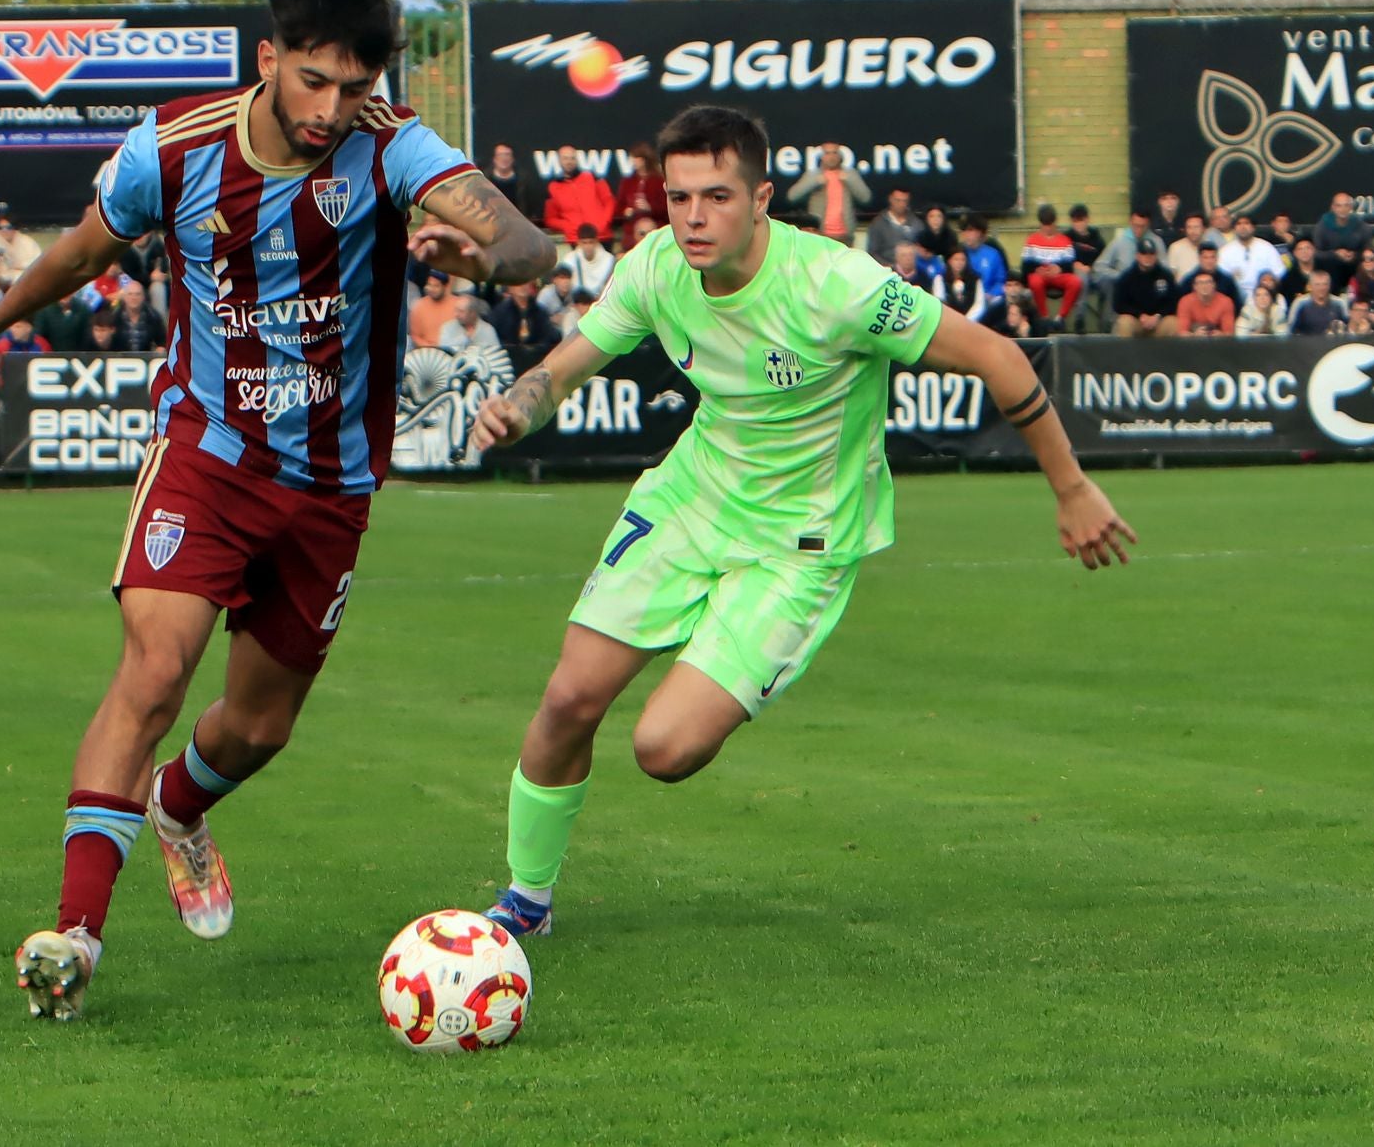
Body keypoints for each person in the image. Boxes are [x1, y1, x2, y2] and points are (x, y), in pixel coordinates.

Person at [0, 0, 555, 1023]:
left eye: (352, 87)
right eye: (312, 82)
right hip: (205, 455)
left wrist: (477, 254)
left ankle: (178, 807)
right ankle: (74, 936)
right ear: (268, 60)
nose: (330, 109)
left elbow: (526, 241)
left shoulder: (391, 145)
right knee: (155, 671)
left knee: (255, 730)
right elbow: (82, 253)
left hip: (333, 485)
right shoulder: (174, 147)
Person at [466, 105, 1134, 939]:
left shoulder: (837, 286)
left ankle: (735, 651)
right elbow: (563, 369)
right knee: (568, 698)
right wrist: (516, 412)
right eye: (679, 198)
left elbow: (997, 355)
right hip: (691, 501)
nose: (695, 218)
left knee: (664, 750)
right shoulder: (654, 267)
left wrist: (1073, 490)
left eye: (716, 196)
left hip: (799, 545)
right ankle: (524, 904)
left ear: (762, 199)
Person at [785, 142, 869, 246]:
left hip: (845, 236)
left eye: (834, 153)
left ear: (840, 156)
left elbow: (866, 198)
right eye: (827, 153)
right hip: (820, 235)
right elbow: (792, 196)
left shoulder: (850, 174)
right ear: (822, 157)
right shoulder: (812, 175)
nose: (831, 157)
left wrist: (849, 181)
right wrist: (814, 183)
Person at [1020, 204, 1082, 325]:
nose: (1048, 228)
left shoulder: (1065, 240)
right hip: (1040, 275)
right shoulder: (1031, 240)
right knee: (1034, 281)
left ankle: (1061, 317)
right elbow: (1025, 265)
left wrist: (1060, 268)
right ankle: (1045, 317)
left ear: (1055, 223)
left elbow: (1069, 264)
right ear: (1040, 223)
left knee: (1075, 282)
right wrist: (1036, 269)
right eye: (1045, 224)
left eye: (1050, 224)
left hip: (1058, 276)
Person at [543, 146, 615, 245]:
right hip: (576, 239)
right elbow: (550, 219)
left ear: (577, 160)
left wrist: (604, 223)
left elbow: (609, 201)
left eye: (572, 158)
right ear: (559, 161)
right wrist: (567, 226)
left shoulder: (593, 177)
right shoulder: (553, 187)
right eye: (565, 158)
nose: (569, 162)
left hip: (602, 236)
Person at [1111, 246, 1178, 337]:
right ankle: (1126, 351)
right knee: (1124, 322)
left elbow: (1173, 302)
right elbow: (1118, 305)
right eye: (1144, 254)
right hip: (1136, 321)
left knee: (1173, 323)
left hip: (1158, 321)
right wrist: (1140, 315)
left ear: (1156, 256)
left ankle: (1165, 351)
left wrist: (1158, 316)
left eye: (1151, 254)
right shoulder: (1126, 277)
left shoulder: (1166, 276)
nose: (1147, 258)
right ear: (1137, 256)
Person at [1314, 193, 1374, 287]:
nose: (1343, 209)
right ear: (1333, 207)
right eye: (1339, 206)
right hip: (1330, 270)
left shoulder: (1361, 226)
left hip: (1355, 268)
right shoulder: (1322, 226)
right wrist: (1334, 254)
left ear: (1351, 207)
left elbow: (1370, 250)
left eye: (1346, 205)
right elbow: (1316, 253)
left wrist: (1355, 255)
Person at [1216, 215, 1284, 295]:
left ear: (1253, 227)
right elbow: (1221, 278)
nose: (1243, 227)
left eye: (1246, 223)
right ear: (1234, 229)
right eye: (1239, 224)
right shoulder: (1225, 251)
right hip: (1235, 295)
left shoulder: (1266, 247)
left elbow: (1279, 273)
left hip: (1264, 294)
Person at [489, 278, 557, 349]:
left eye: (525, 282)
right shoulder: (499, 312)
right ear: (510, 288)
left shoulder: (540, 312)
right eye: (518, 283)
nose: (522, 286)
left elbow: (547, 338)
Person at [0, 215, 43, 290]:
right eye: (0, 228)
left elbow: (38, 265)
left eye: (8, 227)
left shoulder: (28, 242)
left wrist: (17, 266)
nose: (4, 230)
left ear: (15, 228)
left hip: (24, 283)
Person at [862, 186, 919, 267]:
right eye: (898, 200)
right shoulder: (878, 224)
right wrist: (888, 266)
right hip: (886, 269)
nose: (901, 204)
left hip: (912, 271)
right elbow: (872, 253)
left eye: (904, 201)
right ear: (890, 199)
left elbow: (922, 251)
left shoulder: (917, 223)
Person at [614, 142, 664, 230]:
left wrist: (650, 208)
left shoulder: (659, 182)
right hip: (632, 231)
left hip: (655, 230)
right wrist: (626, 212)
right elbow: (618, 209)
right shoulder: (627, 182)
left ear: (645, 160)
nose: (633, 161)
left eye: (636, 158)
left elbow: (667, 208)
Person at [1288, 269, 1350, 336]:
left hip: (1333, 343)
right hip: (1306, 344)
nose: (1321, 288)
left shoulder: (1339, 304)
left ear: (1329, 286)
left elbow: (1348, 328)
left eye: (1325, 284)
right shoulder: (1300, 304)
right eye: (1317, 284)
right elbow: (1290, 331)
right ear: (1310, 286)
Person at [406, 269, 456, 348]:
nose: (432, 289)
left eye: (436, 286)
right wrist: (430, 347)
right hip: (426, 351)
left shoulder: (458, 305)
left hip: (452, 349)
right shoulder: (419, 306)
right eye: (429, 285)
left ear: (445, 286)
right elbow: (415, 336)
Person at [111, 283, 166, 352]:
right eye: (130, 294)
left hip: (145, 359)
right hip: (119, 359)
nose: (134, 298)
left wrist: (161, 348)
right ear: (124, 297)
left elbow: (163, 340)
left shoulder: (153, 316)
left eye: (138, 294)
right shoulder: (115, 317)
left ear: (143, 297)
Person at [1177, 272, 1236, 336]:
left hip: (1218, 340)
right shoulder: (1185, 301)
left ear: (1214, 285)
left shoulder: (1226, 302)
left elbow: (1229, 333)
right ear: (1194, 287)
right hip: (1193, 339)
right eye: (1200, 283)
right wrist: (1194, 335)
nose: (1204, 286)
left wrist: (1221, 335)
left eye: (1208, 282)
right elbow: (1182, 332)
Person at [565, 224, 615, 295]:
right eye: (584, 243)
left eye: (591, 242)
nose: (588, 246)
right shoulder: (569, 259)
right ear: (578, 242)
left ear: (596, 241)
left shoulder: (609, 260)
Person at [931, 249, 980, 319]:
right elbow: (940, 301)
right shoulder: (940, 279)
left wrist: (967, 320)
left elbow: (979, 304)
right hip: (948, 319)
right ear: (949, 261)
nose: (959, 263)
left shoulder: (975, 280)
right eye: (956, 260)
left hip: (971, 321)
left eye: (963, 260)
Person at [1165, 213, 1207, 280]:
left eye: (1196, 227)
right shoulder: (1175, 247)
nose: (1193, 231)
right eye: (1189, 227)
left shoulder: (1211, 246)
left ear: (1204, 229)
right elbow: (1170, 275)